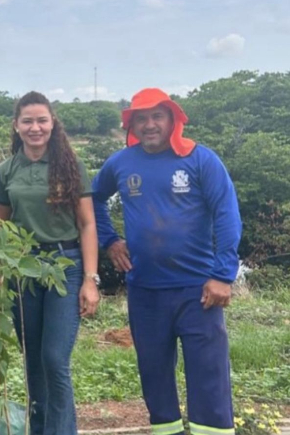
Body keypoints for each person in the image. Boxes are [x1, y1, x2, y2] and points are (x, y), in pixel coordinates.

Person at [92, 88, 241, 435]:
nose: (149, 125)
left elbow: (227, 214)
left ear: (173, 119)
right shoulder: (121, 163)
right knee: (155, 376)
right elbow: (93, 198)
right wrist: (110, 240)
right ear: (132, 125)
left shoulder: (201, 160)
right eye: (141, 118)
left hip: (198, 291)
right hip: (145, 290)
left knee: (209, 376)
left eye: (157, 116)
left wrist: (223, 275)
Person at [0, 91, 100, 435]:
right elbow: (2, 227)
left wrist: (90, 279)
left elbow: (87, 224)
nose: (35, 127)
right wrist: (0, 272)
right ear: (16, 125)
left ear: (53, 123)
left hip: (65, 265)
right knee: (34, 363)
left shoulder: (71, 167)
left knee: (54, 359)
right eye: (27, 121)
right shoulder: (6, 171)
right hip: (23, 269)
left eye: (42, 120)